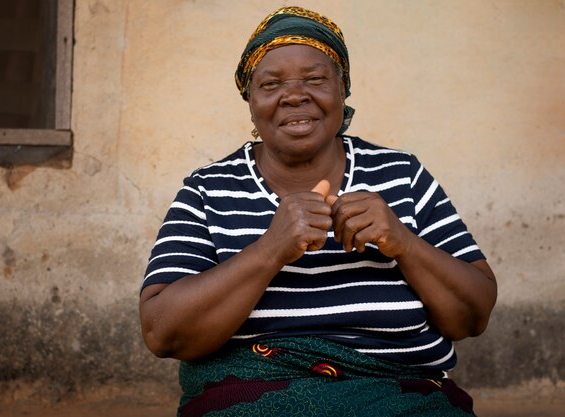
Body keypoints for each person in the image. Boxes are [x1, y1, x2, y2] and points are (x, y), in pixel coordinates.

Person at [139, 6, 497, 417]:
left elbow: (473, 316)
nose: (294, 95)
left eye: (315, 79)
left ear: (342, 88)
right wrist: (269, 251)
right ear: (251, 101)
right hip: (254, 400)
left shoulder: (402, 175)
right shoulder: (207, 189)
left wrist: (405, 244)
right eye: (271, 84)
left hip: (401, 401)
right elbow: (161, 333)